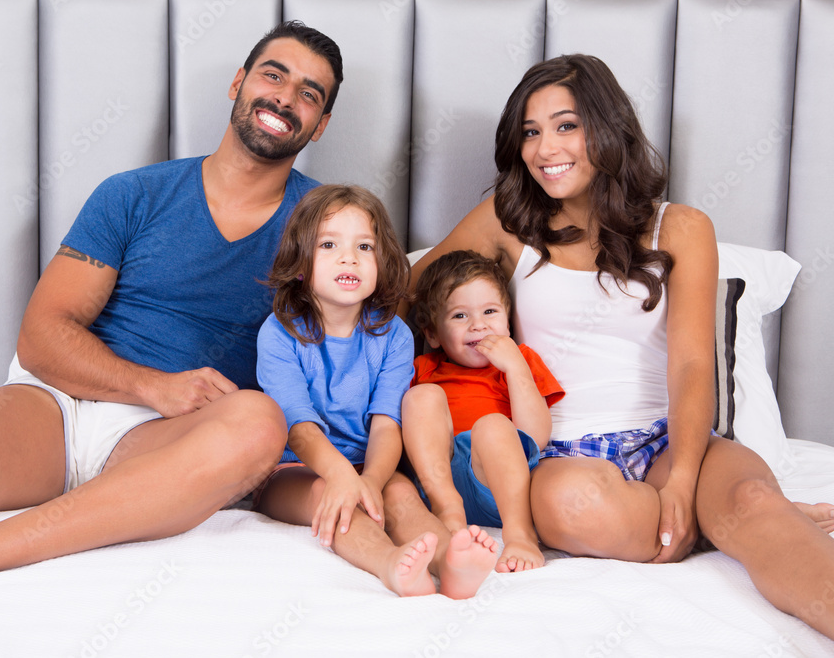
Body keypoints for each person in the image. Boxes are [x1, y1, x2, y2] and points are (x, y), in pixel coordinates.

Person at [0, 20, 345, 596]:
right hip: (54, 409)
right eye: (272, 75)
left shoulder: (324, 228)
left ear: (320, 124)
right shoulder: (134, 194)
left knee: (257, 422)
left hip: (167, 444)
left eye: (308, 93)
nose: (283, 96)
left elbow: (383, 318)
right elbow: (42, 337)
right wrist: (154, 386)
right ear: (238, 83)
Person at [401, 53, 834, 638]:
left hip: (668, 439)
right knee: (573, 506)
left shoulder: (681, 227)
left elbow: (688, 365)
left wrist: (682, 478)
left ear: (608, 128)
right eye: (530, 132)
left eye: (567, 125)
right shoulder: (505, 220)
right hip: (561, 454)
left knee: (753, 498)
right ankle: (723, 523)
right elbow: (409, 297)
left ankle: (748, 518)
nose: (546, 148)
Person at [255, 185, 500, 598]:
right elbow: (299, 427)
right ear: (300, 262)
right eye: (329, 244)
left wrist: (370, 478)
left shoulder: (394, 335)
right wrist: (340, 477)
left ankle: (450, 562)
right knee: (329, 496)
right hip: (292, 470)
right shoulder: (279, 333)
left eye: (364, 246)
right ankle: (390, 565)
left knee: (400, 493)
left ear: (382, 264)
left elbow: (387, 424)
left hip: (367, 464)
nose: (348, 257)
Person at [403, 249, 564, 573]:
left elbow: (536, 436)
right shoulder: (423, 369)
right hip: (437, 478)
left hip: (498, 481)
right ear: (432, 333)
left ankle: (519, 533)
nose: (478, 326)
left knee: (492, 425)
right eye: (460, 316)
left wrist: (515, 368)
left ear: (508, 320)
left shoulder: (520, 361)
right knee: (421, 398)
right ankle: (447, 513)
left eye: (490, 311)